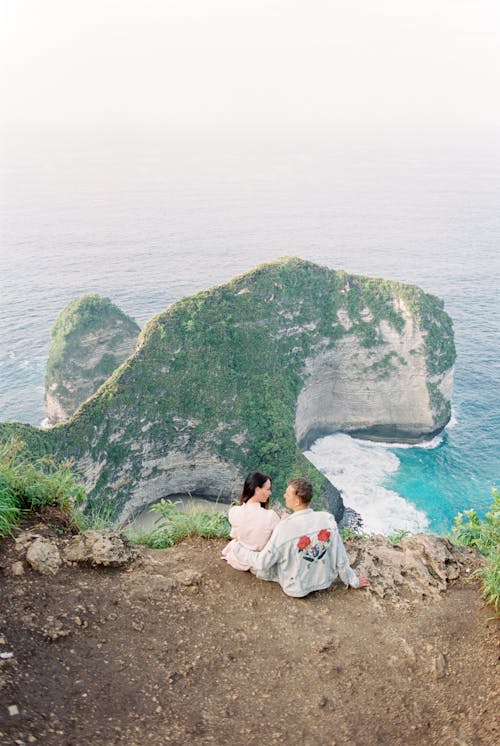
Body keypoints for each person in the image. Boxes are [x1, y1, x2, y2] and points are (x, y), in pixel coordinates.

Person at [232, 477, 370, 597]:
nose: (284, 495)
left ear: (297, 500)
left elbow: (263, 563)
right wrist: (353, 581)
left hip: (296, 588)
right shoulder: (327, 519)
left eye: (287, 494)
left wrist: (237, 548)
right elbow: (340, 557)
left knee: (266, 562)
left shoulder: (284, 528)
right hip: (323, 581)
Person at [221, 471, 280, 571]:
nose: (270, 493)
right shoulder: (270, 516)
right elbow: (278, 541)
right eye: (268, 489)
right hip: (258, 560)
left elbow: (234, 536)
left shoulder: (234, 512)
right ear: (257, 490)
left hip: (239, 557)